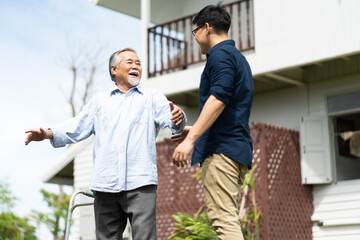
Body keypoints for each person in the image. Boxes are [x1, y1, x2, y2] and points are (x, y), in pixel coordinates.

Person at [25, 48, 186, 240]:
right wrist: (47, 134)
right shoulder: (100, 102)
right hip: (105, 185)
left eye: (138, 63)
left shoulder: (152, 97)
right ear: (114, 70)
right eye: (129, 62)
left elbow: (172, 120)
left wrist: (178, 118)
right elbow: (77, 126)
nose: (136, 66)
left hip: (141, 183)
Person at [171, 4, 253, 240]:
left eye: (194, 31)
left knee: (223, 221)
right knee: (227, 218)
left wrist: (191, 141)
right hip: (234, 148)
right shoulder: (237, 58)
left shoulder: (220, 55)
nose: (195, 38)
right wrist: (192, 129)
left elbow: (219, 98)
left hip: (222, 151)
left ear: (206, 28)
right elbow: (230, 106)